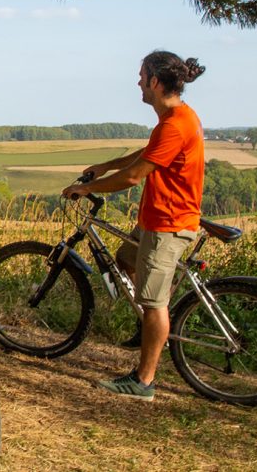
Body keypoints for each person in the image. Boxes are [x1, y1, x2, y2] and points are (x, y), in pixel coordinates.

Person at [62, 50, 206, 401]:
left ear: (155, 82)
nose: (138, 82)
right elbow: (143, 155)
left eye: (141, 76)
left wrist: (86, 188)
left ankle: (144, 380)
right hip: (154, 220)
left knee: (154, 303)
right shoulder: (174, 118)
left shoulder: (175, 124)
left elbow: (134, 176)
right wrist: (104, 166)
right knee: (123, 261)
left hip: (168, 224)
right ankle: (149, 329)